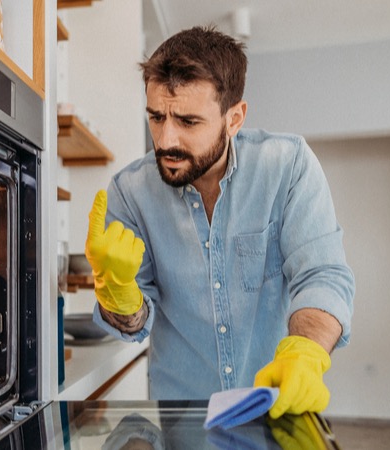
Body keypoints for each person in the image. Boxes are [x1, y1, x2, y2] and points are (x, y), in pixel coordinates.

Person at [84, 26, 355, 419]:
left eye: (188, 122)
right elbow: (136, 322)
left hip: (276, 406)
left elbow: (323, 273)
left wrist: (307, 353)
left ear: (235, 118)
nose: (165, 140)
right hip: (183, 419)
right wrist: (118, 297)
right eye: (156, 117)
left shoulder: (287, 165)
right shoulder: (129, 192)